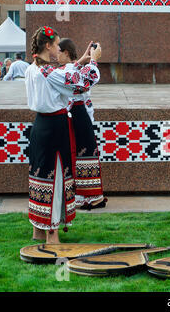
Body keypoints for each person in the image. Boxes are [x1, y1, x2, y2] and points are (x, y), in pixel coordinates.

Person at [25, 26, 101, 244]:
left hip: (41, 127)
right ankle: (52, 236)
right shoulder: (48, 72)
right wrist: (93, 61)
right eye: (57, 44)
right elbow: (83, 83)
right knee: (56, 177)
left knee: (40, 177)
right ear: (48, 46)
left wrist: (81, 61)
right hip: (55, 128)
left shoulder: (33, 68)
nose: (59, 48)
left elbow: (61, 76)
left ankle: (38, 231)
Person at [57, 38, 107, 210]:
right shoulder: (68, 70)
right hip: (78, 115)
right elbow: (83, 75)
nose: (55, 55)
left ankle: (91, 197)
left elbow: (86, 77)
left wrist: (90, 60)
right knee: (82, 155)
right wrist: (91, 59)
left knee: (83, 155)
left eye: (58, 51)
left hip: (78, 116)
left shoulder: (69, 70)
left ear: (65, 52)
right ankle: (88, 196)